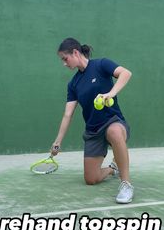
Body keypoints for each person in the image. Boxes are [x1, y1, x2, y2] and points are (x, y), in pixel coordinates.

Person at [51, 37, 134, 204]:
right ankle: (112, 168)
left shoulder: (101, 64)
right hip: (93, 131)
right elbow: (68, 114)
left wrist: (111, 93)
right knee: (91, 179)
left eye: (65, 59)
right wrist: (57, 141)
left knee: (115, 132)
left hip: (113, 121)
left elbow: (126, 73)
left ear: (75, 52)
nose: (64, 63)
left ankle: (126, 184)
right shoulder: (73, 84)